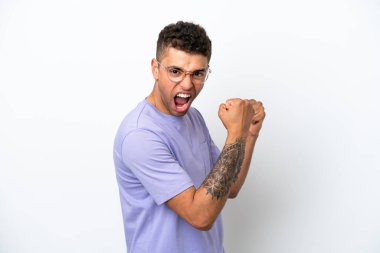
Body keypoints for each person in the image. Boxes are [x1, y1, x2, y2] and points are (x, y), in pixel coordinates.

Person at [113, 21, 265, 253]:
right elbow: (200, 216)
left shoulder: (194, 118)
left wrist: (248, 133)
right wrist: (235, 132)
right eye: (175, 71)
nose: (187, 84)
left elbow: (229, 186)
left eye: (197, 74)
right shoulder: (140, 134)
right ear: (155, 68)